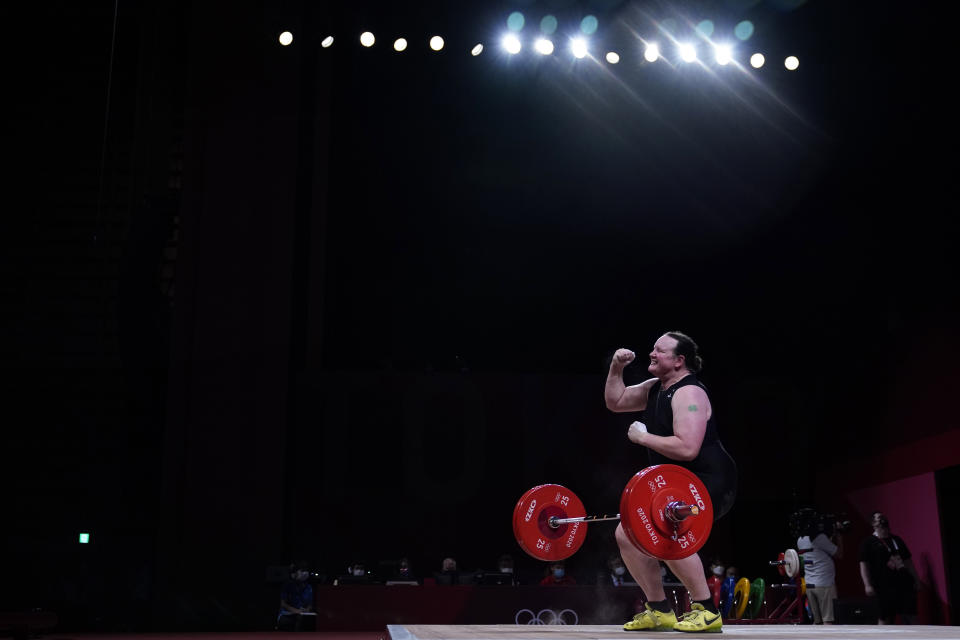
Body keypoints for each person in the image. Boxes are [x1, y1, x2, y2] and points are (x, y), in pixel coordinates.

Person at [605, 332, 737, 633]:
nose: (652, 354)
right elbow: (615, 401)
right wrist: (615, 367)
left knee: (666, 528)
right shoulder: (656, 389)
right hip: (674, 484)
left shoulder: (689, 394)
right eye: (653, 348)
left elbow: (687, 449)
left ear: (679, 361)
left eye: (660, 351)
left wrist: (643, 437)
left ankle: (707, 609)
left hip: (709, 481)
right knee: (627, 533)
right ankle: (660, 610)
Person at [859, 511, 920, 624]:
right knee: (885, 617)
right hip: (883, 586)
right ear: (873, 524)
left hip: (903, 583)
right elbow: (863, 565)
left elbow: (908, 561)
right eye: (878, 519)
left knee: (910, 615)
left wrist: (916, 579)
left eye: (883, 518)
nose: (882, 520)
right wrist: (867, 585)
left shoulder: (897, 540)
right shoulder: (868, 543)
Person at [797, 517, 844, 624]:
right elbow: (839, 554)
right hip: (824, 585)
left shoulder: (800, 540)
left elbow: (821, 548)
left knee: (817, 622)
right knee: (828, 622)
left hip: (810, 584)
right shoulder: (820, 538)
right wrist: (840, 536)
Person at [276, 562, 314, 631]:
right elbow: (283, 604)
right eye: (302, 571)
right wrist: (296, 611)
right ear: (294, 574)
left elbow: (310, 604)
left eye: (306, 571)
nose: (305, 573)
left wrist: (307, 610)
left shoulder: (309, 587)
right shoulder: (287, 585)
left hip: (302, 616)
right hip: (287, 615)